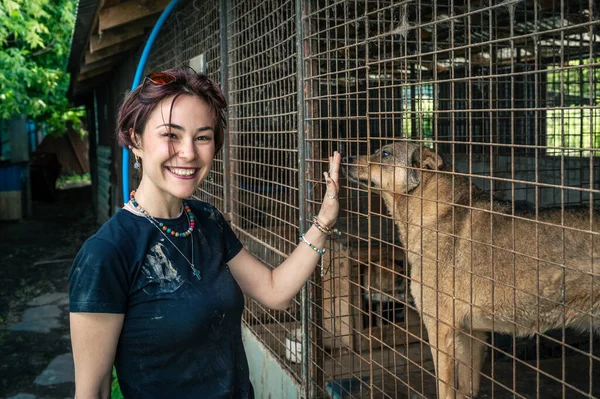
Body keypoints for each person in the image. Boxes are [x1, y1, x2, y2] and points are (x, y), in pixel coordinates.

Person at [68, 67, 341, 398]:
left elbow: (274, 291)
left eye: (202, 136)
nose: (188, 153)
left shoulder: (207, 220)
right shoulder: (107, 253)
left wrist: (324, 221)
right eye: (171, 134)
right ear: (136, 139)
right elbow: (92, 391)